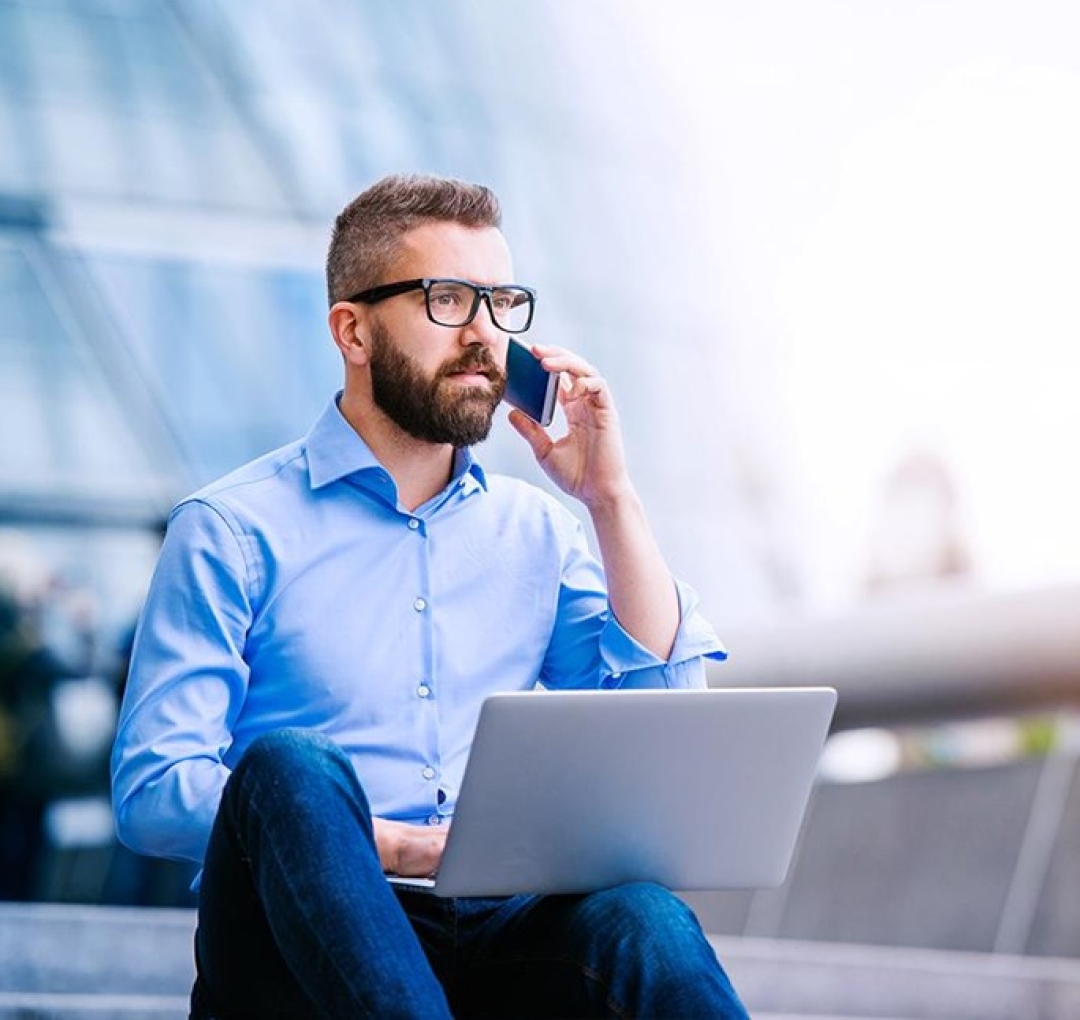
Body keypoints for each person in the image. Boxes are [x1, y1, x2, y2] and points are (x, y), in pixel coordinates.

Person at [111, 174, 749, 1019]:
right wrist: (388, 846)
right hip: (295, 945)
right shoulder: (230, 529)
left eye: (501, 303)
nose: (485, 336)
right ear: (354, 330)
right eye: (449, 300)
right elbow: (155, 787)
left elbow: (666, 732)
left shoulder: (542, 535)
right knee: (292, 770)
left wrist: (609, 501)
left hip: (495, 930)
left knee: (644, 921)